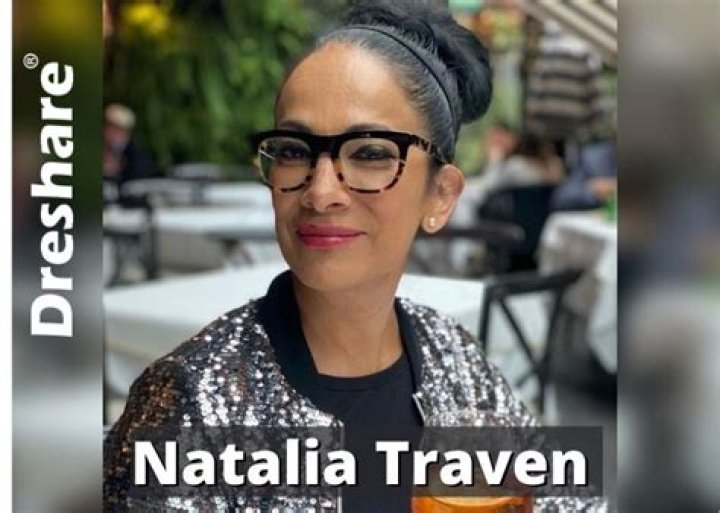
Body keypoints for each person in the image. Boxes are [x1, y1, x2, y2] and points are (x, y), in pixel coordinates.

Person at [104, 1, 606, 511]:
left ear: (441, 195)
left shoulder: (455, 359)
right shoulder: (191, 403)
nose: (321, 192)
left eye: (370, 153)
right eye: (294, 150)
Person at [103, 103, 156, 186]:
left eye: (118, 130)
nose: (112, 134)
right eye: (109, 127)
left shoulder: (136, 159)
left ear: (128, 133)